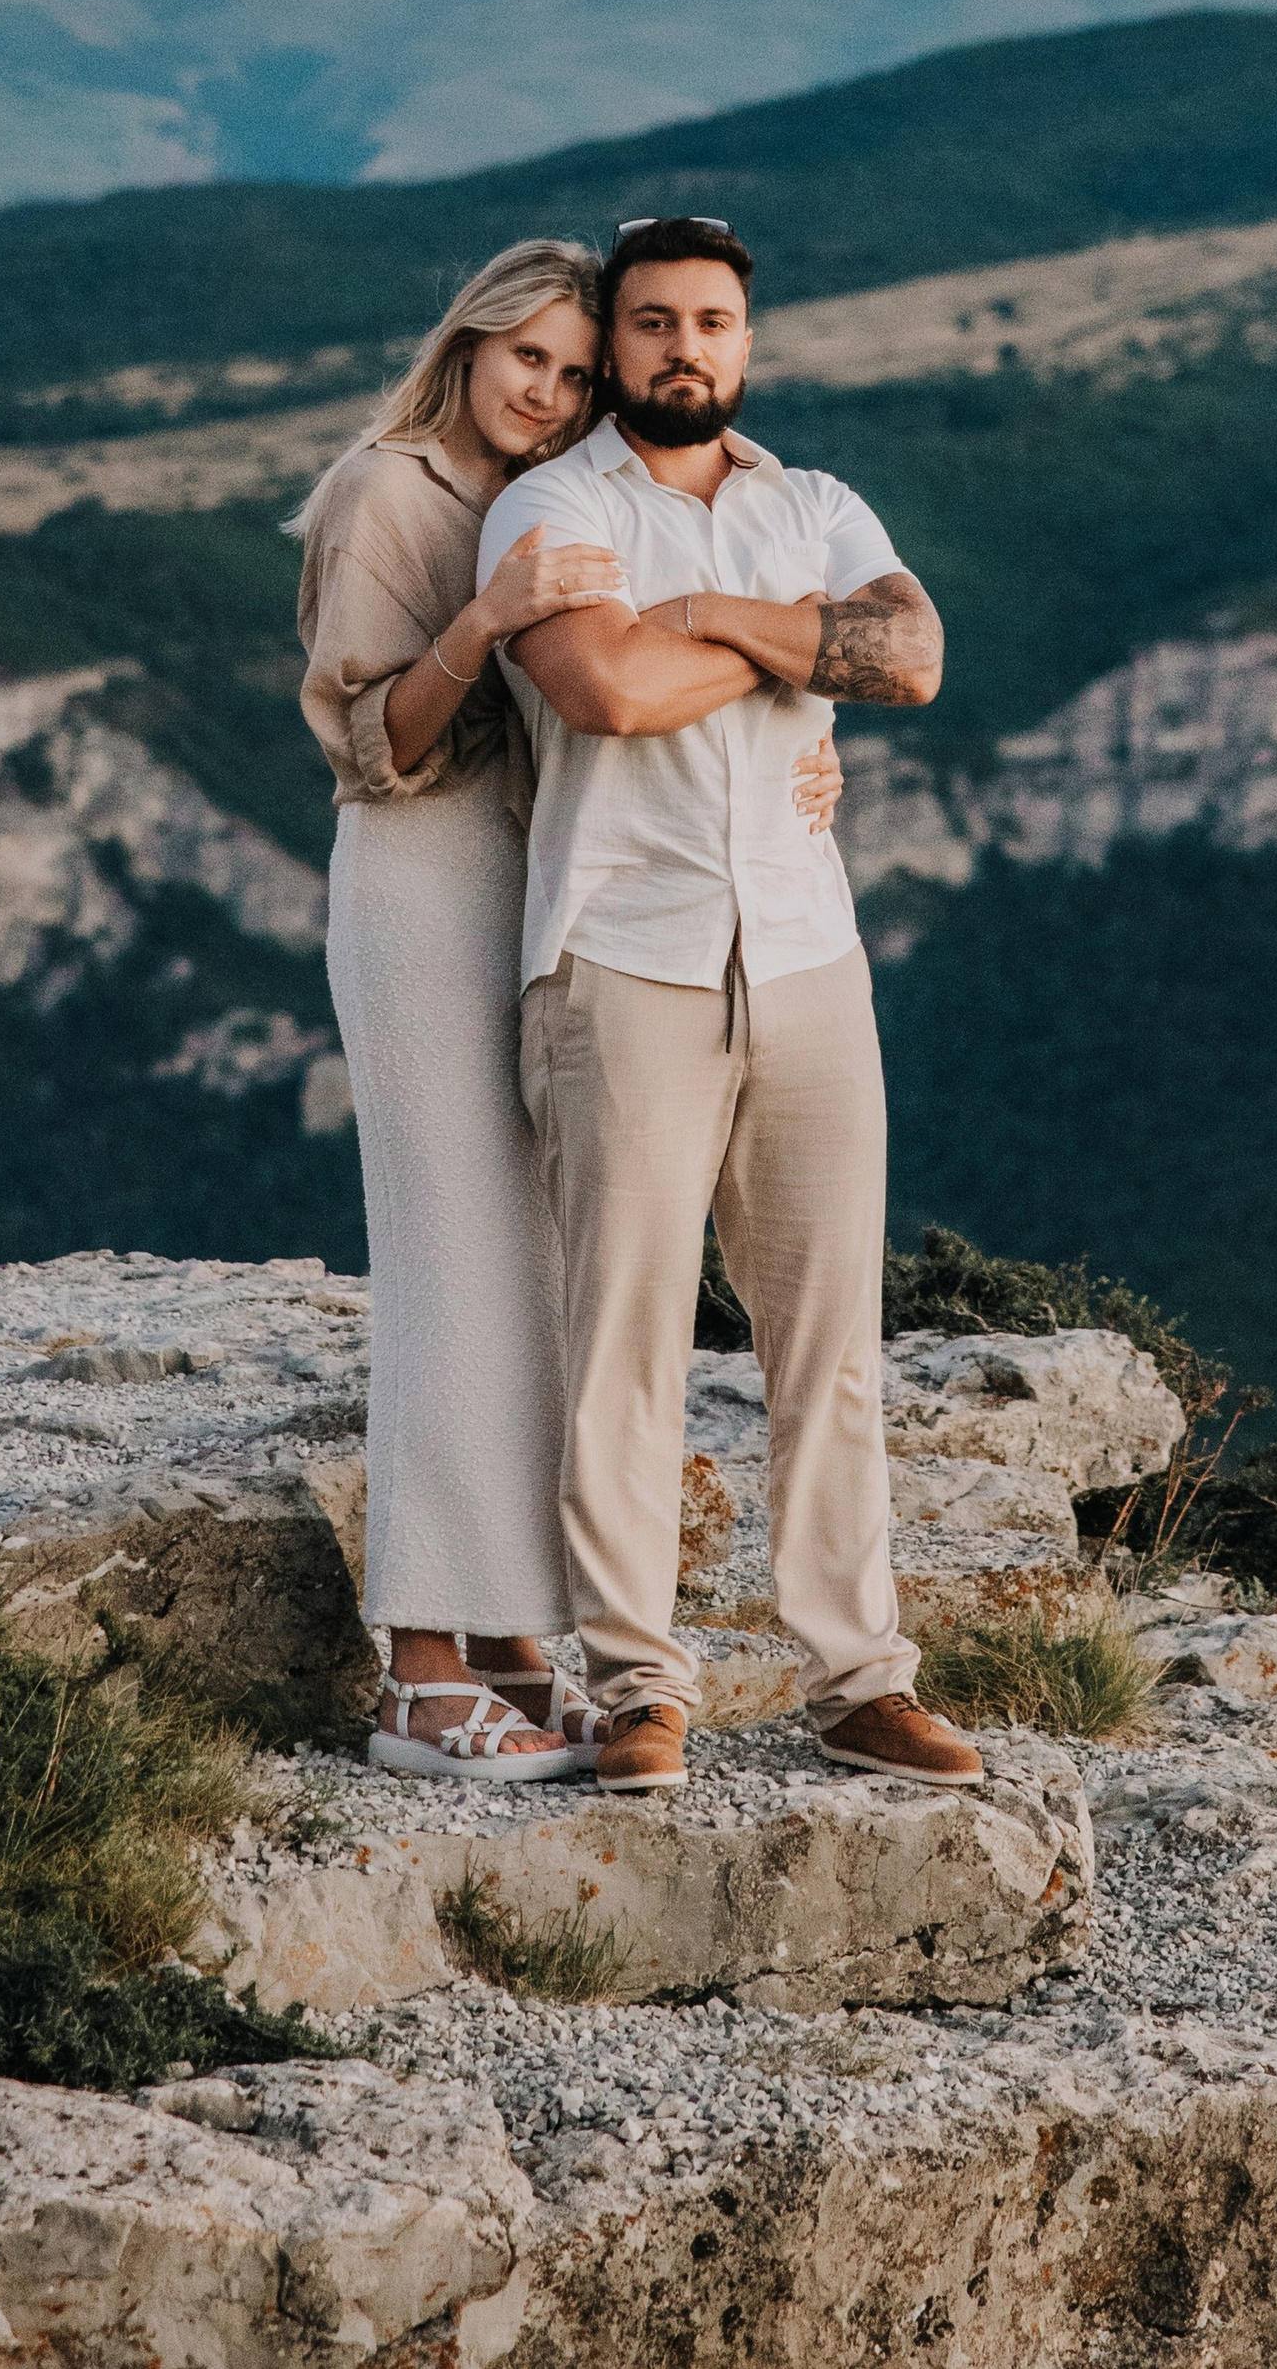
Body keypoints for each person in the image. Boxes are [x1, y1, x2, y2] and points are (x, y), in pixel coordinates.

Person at [292, 236, 843, 1779]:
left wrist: (807, 745)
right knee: (449, 1250)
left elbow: (669, 678)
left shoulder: (559, 495)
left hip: (546, 887)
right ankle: (416, 1668)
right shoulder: (389, 492)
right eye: (526, 357)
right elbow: (369, 745)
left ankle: (517, 1638)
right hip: (422, 883)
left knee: (538, 1256)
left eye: (576, 370)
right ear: (464, 343)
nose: (550, 390)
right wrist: (490, 616)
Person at [476, 215, 983, 1798]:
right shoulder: (549, 505)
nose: (683, 346)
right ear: (611, 344)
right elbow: (604, 693)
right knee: (621, 1333)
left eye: (712, 321)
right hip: (626, 959)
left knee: (829, 1332)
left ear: (745, 342)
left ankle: (856, 1676)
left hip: (810, 957)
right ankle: (639, 1682)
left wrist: (700, 620)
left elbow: (909, 655)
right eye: (652, 322)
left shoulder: (814, 502)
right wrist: (789, 652)